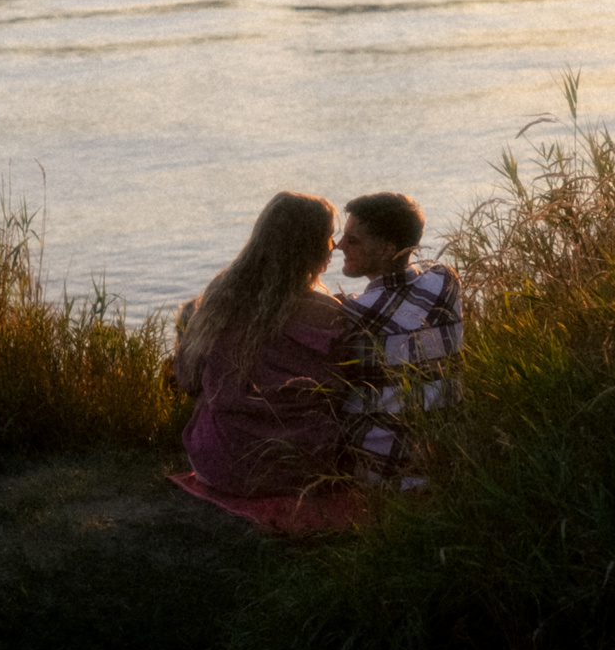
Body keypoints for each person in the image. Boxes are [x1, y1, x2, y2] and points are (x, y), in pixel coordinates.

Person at [171, 191, 351, 498]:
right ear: (308, 244)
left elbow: (187, 376)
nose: (334, 245)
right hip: (304, 467)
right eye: (328, 236)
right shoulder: (328, 311)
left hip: (222, 466)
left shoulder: (221, 296)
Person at [334, 192, 463, 488]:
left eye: (353, 240)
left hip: (379, 473)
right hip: (446, 457)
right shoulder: (446, 283)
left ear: (386, 250)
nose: (340, 245)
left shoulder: (351, 313)